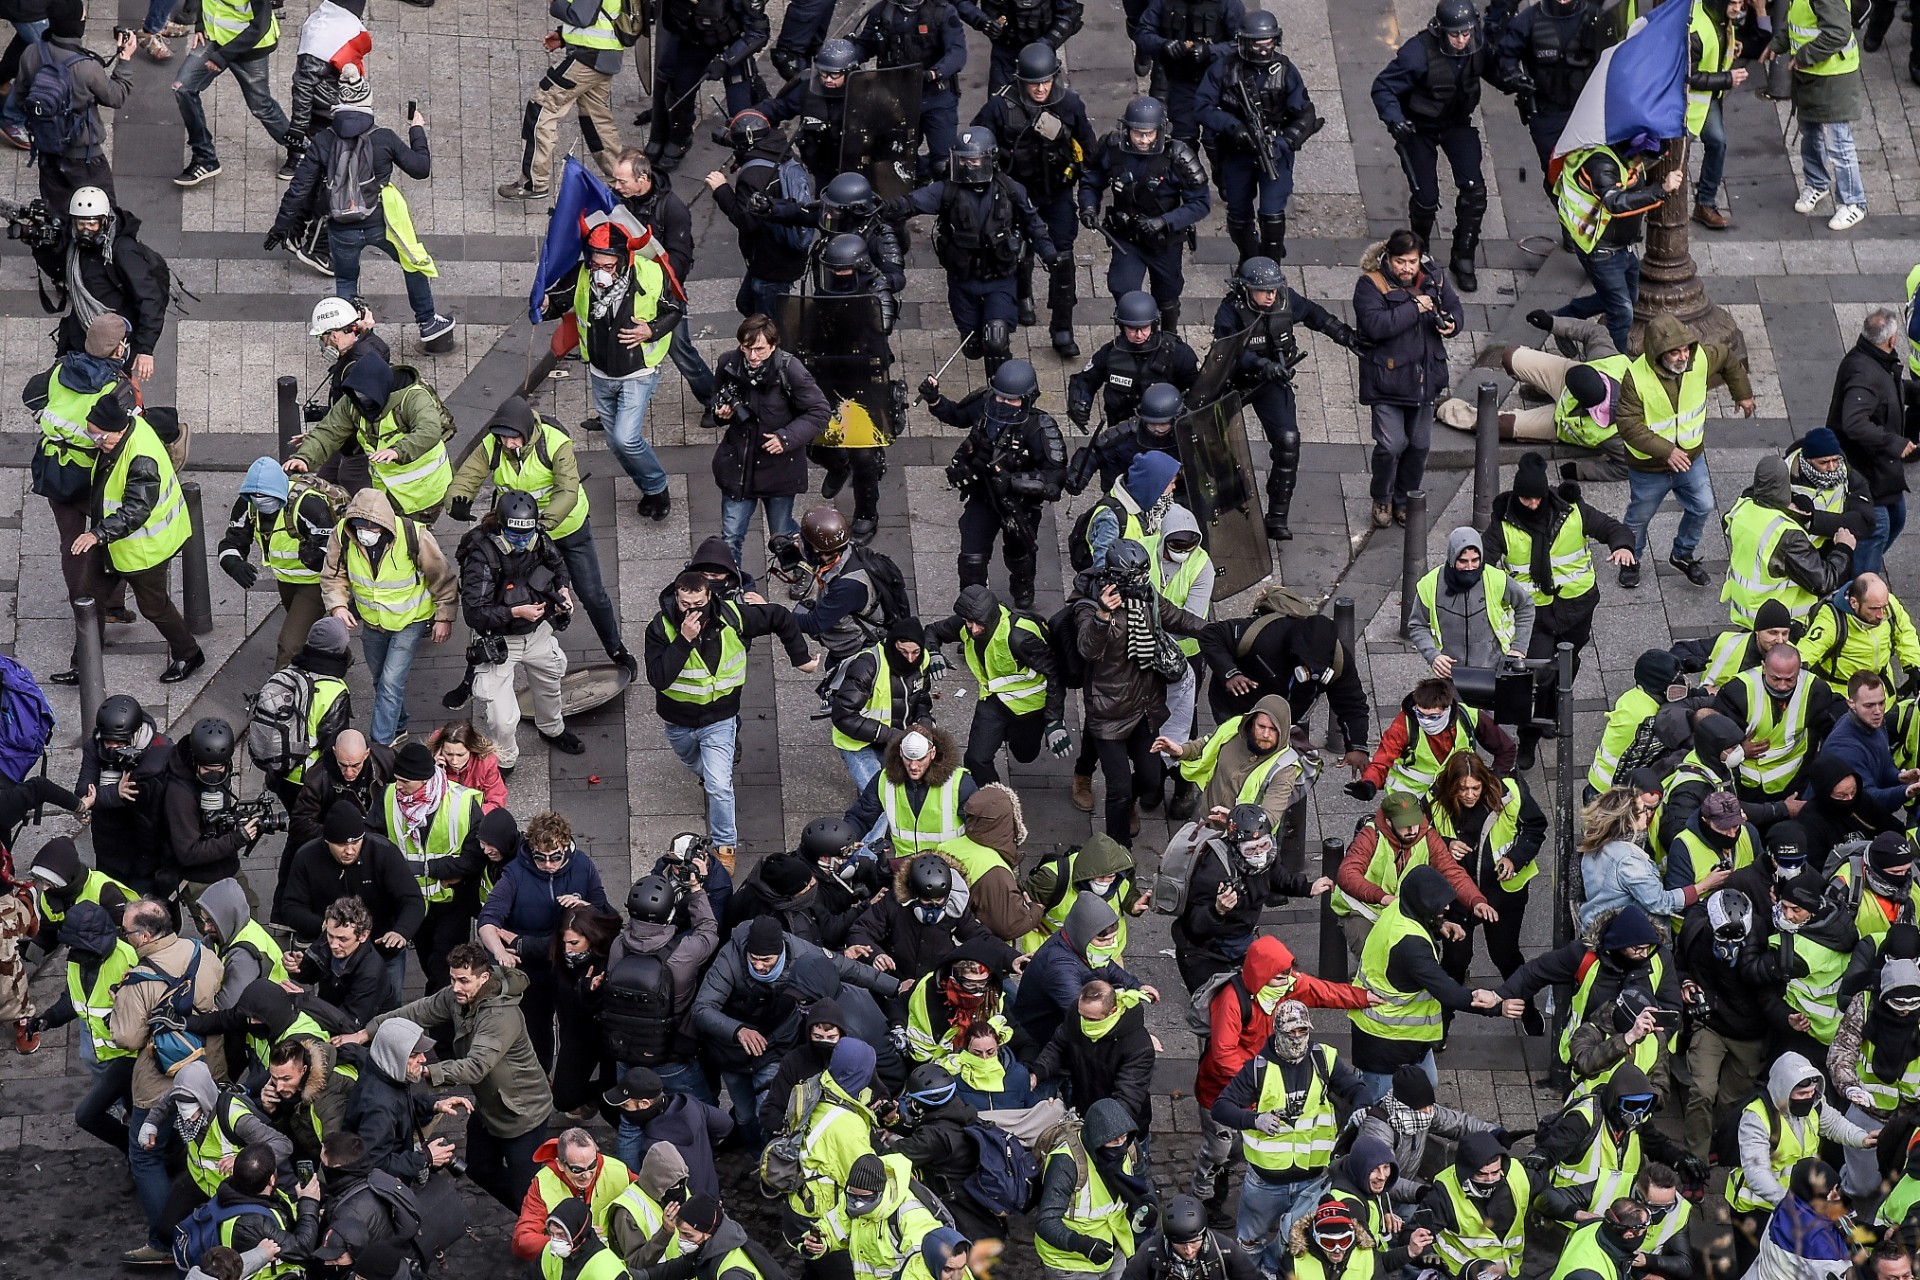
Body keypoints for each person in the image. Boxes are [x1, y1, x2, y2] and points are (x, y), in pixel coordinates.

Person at [350, 941, 556, 1212]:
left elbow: (475, 1067)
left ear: (484, 978)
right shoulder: (458, 996)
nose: (456, 987)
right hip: (489, 1107)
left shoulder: (501, 1017)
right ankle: (532, 1218)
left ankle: (541, 1232)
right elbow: (419, 1011)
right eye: (452, 979)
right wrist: (370, 1031)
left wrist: (423, 1070)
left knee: (526, 1192)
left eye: (463, 981)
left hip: (522, 1115)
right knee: (479, 1168)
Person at [645, 562, 816, 873]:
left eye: (698, 604)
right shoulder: (660, 628)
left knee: (718, 785)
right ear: (676, 598)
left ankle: (725, 846)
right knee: (695, 764)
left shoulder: (732, 616)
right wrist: (683, 640)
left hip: (720, 719)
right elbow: (658, 678)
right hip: (678, 721)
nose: (691, 611)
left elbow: (779, 616)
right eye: (685, 604)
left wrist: (800, 658)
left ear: (710, 597)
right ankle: (713, 770)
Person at [447, 395, 633, 673]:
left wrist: (543, 524)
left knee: (592, 593)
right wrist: (457, 500)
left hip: (565, 528)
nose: (507, 444)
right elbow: (468, 476)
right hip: (521, 533)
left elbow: (568, 491)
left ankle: (616, 648)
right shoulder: (493, 445)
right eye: (502, 438)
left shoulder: (555, 443)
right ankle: (523, 652)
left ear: (525, 431)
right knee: (515, 592)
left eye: (513, 438)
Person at [269, 71, 453, 349]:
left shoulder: (323, 140)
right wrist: (416, 130)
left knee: (346, 279)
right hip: (382, 221)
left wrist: (281, 227)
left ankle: (345, 340)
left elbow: (299, 189)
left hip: (341, 226)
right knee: (412, 263)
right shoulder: (383, 138)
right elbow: (420, 169)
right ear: (367, 104)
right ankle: (428, 323)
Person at [1484, 452, 1634, 765]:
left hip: (1576, 608)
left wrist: (1621, 545)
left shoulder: (1573, 512)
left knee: (1567, 665)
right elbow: (1484, 560)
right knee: (1534, 673)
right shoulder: (1503, 524)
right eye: (1525, 499)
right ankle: (1527, 739)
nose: (1532, 505)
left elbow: (1611, 528)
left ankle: (1549, 717)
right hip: (1532, 615)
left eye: (1536, 498)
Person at [1210, 256, 1365, 539]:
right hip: (1232, 380)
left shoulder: (1284, 300)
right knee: (1208, 438)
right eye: (1264, 291)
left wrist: (1346, 336)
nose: (1271, 296)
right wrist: (1261, 365)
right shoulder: (1229, 312)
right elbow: (1228, 352)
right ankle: (1221, 502)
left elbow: (1315, 315)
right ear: (1245, 290)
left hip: (1272, 381)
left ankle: (1278, 516)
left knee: (1288, 440)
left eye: (1274, 289)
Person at [110, 898, 227, 1265]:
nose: (123, 936)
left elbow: (127, 1038)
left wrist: (119, 1004)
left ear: (144, 936)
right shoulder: (202, 953)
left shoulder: (139, 980)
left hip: (161, 1079)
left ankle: (166, 1242)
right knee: (199, 1144)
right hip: (210, 1067)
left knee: (145, 1156)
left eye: (126, 931)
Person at [1212, 999, 1369, 1271]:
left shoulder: (1324, 1059)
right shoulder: (1258, 1068)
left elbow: (1356, 1089)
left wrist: (1362, 1109)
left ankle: (1273, 1272)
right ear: (1277, 1032)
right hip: (1266, 1181)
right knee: (1249, 1243)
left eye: (1302, 1031)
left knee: (1297, 1242)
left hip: (1313, 1180)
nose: (1298, 1038)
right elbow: (1221, 1108)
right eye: (1291, 1033)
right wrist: (1254, 1120)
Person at [888, 129, 1059, 377]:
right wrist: (881, 205)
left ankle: (1001, 390)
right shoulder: (946, 190)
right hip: (962, 280)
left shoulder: (1010, 190)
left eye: (975, 160)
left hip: (999, 278)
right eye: (964, 161)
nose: (969, 166)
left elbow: (1034, 224)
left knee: (996, 339)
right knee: (973, 345)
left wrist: (1050, 253)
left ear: (990, 158)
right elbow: (910, 203)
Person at [544, 214, 682, 521]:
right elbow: (558, 301)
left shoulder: (650, 274)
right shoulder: (581, 274)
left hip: (638, 372)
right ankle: (649, 488)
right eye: (596, 265)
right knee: (615, 442)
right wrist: (544, 306)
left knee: (625, 438)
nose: (601, 272)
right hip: (600, 373)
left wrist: (651, 330)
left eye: (609, 266)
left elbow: (675, 310)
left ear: (624, 260)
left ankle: (658, 487)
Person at [1073, 539, 1207, 846]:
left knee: (1150, 781)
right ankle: (1118, 850)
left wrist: (1216, 632)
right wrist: (1103, 617)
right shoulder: (1089, 603)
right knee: (1118, 789)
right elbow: (1087, 649)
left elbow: (1175, 617)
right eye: (1134, 580)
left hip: (1144, 707)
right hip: (1108, 711)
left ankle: (1130, 802)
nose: (1141, 586)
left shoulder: (1144, 595)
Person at [1614, 314, 1756, 587]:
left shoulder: (1699, 357)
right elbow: (1628, 424)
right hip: (1649, 467)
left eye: (1685, 349)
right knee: (1639, 517)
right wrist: (1667, 451)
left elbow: (1727, 356)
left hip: (1690, 457)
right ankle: (1631, 559)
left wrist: (1742, 393)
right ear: (1658, 353)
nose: (1683, 357)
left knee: (1703, 506)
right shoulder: (1636, 377)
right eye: (1674, 352)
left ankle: (1682, 554)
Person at [70, 393, 202, 683]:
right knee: (88, 599)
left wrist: (97, 534)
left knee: (154, 607)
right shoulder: (130, 428)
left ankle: (189, 653)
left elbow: (136, 510)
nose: (95, 443)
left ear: (118, 430)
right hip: (115, 542)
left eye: (99, 437)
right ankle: (83, 666)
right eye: (91, 435)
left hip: (143, 548)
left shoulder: (142, 458)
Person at [1347, 865, 1510, 1100]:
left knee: (1428, 1083)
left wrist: (1438, 925)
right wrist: (1496, 1007)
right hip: (1386, 1042)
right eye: (1438, 903)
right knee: (1377, 1104)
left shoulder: (1398, 908)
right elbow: (1448, 992)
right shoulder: (1412, 947)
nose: (1446, 907)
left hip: (1404, 1038)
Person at [970, 43, 1092, 355]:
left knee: (1062, 260)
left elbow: (1091, 151)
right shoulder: (1000, 108)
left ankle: (1062, 328)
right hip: (1015, 195)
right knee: (1016, 251)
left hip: (1057, 193)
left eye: (1045, 82)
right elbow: (976, 145)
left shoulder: (1071, 105)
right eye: (1033, 83)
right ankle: (1023, 295)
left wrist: (1091, 194)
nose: (1040, 89)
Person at [456, 489, 586, 767]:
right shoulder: (482, 556)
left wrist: (563, 589)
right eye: (515, 536)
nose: (522, 542)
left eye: (527, 535)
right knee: (501, 717)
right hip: (500, 639)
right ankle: (505, 760)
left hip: (537, 630)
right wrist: (515, 611)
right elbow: (474, 614)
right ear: (502, 528)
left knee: (551, 683)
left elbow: (558, 564)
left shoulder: (537, 539)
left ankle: (552, 729)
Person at [26, 313, 137, 637]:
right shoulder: (116, 388)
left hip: (55, 470)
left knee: (71, 545)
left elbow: (31, 397)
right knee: (114, 535)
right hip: (95, 477)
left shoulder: (61, 369)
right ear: (117, 350)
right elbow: (129, 434)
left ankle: (83, 609)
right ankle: (111, 605)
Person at [319, 489, 456, 747]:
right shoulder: (343, 535)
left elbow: (442, 575)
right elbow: (333, 575)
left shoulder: (414, 535)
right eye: (360, 524)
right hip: (373, 622)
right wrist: (338, 606)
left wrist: (444, 617)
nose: (365, 530)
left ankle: (379, 745)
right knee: (379, 679)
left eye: (372, 525)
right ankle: (399, 724)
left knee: (390, 682)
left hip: (410, 621)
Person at [927, 358, 1068, 608]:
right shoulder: (985, 404)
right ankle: (974, 608)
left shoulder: (1039, 427)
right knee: (971, 559)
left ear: (1026, 399)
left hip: (1019, 505)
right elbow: (958, 415)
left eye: (1010, 400)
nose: (1002, 404)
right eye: (1000, 397)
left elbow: (1055, 479)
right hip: (983, 497)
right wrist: (935, 400)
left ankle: (1023, 587)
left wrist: (1013, 482)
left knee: (1019, 552)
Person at [1370, 0, 1489, 290]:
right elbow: (1383, 87)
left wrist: (1514, 78)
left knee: (1474, 190)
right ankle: (1417, 254)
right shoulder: (1417, 53)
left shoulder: (1479, 43)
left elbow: (1496, 67)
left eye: (1466, 33)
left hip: (1456, 123)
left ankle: (1464, 256)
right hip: (1419, 128)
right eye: (1455, 34)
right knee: (1425, 198)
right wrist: (1395, 119)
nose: (1462, 40)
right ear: (1441, 31)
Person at [1436, 314, 1630, 482]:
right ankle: (1542, 390)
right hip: (1566, 377)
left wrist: (1582, 471)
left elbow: (1625, 467)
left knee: (1498, 425)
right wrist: (1553, 323)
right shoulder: (1605, 360)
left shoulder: (1617, 434)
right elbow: (1594, 331)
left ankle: (1445, 408)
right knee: (1510, 357)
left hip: (1560, 423)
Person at [1354, 230, 1462, 527]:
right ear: (1388, 258)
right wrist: (1415, 307)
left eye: (1411, 261)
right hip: (1386, 380)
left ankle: (1403, 499)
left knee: (1419, 445)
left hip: (1424, 379)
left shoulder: (1434, 277)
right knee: (1391, 445)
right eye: (1400, 261)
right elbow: (1376, 325)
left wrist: (1452, 325)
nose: (1406, 268)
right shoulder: (1370, 285)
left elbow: (1454, 308)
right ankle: (1382, 497)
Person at [1193, 13, 1318, 267]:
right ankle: (1249, 259)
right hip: (1237, 150)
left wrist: (1283, 143)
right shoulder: (1224, 68)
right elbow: (1201, 107)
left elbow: (1305, 114)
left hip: (1274, 149)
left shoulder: (1284, 70)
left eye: (1269, 43)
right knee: (1238, 213)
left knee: (1272, 212)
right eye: (1257, 44)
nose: (1264, 50)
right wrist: (1234, 127)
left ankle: (1271, 264)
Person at [707, 313, 831, 568]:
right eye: (746, 348)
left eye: (759, 349)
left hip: (778, 470)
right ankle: (734, 589)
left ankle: (805, 569)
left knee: (783, 535)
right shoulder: (728, 364)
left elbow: (820, 411)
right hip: (738, 468)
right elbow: (716, 401)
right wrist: (720, 414)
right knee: (730, 538)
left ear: (773, 345)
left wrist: (785, 438)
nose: (752, 356)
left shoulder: (790, 369)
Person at [1077, 97, 1212, 328]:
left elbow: (1200, 202)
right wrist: (1088, 206)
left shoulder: (1177, 156)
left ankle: (1169, 337)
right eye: (1138, 133)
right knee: (1123, 288)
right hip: (1127, 238)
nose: (1144, 139)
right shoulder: (1112, 148)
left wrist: (1165, 221)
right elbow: (1092, 180)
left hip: (1165, 241)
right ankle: (1131, 334)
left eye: (1149, 134)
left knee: (1167, 295)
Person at [288, 350, 456, 522]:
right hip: (387, 493)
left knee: (414, 543)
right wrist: (304, 458)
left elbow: (429, 430)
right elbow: (328, 432)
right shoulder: (352, 403)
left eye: (367, 396)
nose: (362, 401)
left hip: (425, 494)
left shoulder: (413, 398)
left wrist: (398, 451)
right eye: (358, 395)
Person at [925, 585, 1068, 787]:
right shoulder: (967, 622)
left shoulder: (1020, 637)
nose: (973, 630)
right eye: (968, 623)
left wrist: (1054, 721)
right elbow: (933, 631)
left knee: (1025, 755)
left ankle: (1012, 733)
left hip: (1028, 707)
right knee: (976, 759)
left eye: (978, 625)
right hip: (993, 702)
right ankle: (999, 806)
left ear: (991, 617)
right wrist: (933, 653)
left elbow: (1054, 673)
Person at [1551, 134, 1678, 353]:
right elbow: (1614, 202)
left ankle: (1564, 317)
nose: (1643, 164)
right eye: (1644, 158)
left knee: (1628, 297)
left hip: (1620, 246)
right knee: (1622, 312)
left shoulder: (1623, 156)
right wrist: (1660, 191)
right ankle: (1614, 362)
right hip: (1600, 249)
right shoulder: (1600, 164)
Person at [610, 149, 717, 406]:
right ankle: (613, 411)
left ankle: (715, 400)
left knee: (680, 349)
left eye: (622, 181)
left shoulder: (672, 209)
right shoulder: (618, 198)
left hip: (663, 293)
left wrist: (655, 283)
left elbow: (680, 260)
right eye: (615, 180)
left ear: (643, 178)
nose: (616, 186)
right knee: (617, 347)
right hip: (625, 287)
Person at [219, 459, 347, 669]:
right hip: (286, 580)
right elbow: (232, 540)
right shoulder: (247, 504)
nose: (260, 501)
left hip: (316, 582)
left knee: (290, 644)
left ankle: (279, 694)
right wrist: (233, 563)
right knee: (309, 628)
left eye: (266, 497)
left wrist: (312, 554)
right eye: (255, 496)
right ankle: (341, 658)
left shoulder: (308, 505)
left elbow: (331, 546)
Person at [496, 0, 624, 199]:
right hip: (605, 54)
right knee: (596, 120)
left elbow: (581, 15)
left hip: (588, 57)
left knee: (541, 105)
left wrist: (557, 3)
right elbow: (596, 14)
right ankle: (623, 182)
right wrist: (565, 36)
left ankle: (533, 183)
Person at [28, 188, 168, 369]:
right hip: (80, 334)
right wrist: (41, 247)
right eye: (80, 224)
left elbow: (150, 299)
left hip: (112, 344)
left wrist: (145, 349)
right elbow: (59, 270)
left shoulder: (123, 251)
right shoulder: (74, 245)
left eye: (92, 224)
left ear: (105, 221)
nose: (86, 230)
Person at [10, 6, 132, 211]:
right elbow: (116, 97)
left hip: (47, 151)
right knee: (104, 215)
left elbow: (21, 99)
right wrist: (125, 60)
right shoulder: (87, 67)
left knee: (56, 218)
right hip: (85, 158)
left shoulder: (31, 53)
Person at [170, 0, 296, 187]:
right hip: (214, 38)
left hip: (250, 49)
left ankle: (299, 149)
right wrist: (200, 24)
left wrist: (222, 57)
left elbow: (259, 26)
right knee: (183, 88)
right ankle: (205, 158)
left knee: (261, 106)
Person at [1763, 0, 1864, 231]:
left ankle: (1853, 203)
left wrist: (1802, 56)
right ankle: (1817, 183)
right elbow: (1799, 24)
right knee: (1810, 132)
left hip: (1833, 77)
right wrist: (1778, 44)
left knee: (1838, 143)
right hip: (1812, 76)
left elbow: (1838, 33)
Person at [1824, 310, 1912, 575]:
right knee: (1878, 526)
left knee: (1897, 517)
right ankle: (1860, 586)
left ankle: (1851, 567)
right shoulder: (1864, 372)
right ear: (1892, 340)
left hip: (1880, 470)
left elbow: (1889, 390)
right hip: (1864, 469)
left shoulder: (1876, 362)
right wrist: (1893, 442)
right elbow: (1854, 422)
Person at [1721, 456, 1856, 627]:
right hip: (1781, 623)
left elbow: (1731, 519)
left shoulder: (1742, 508)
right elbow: (1824, 581)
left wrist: (1789, 510)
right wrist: (1843, 548)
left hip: (1746, 612)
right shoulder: (1786, 535)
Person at [846, 0, 965, 181]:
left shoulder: (943, 12)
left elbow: (957, 52)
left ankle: (944, 199)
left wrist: (935, 73)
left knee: (944, 165)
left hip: (935, 96)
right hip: (896, 97)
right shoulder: (882, 12)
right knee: (893, 160)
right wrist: (845, 58)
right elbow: (865, 44)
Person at [1035, 1098, 1154, 1276]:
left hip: (1114, 1251)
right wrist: (1082, 1244)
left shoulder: (1129, 1145)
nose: (1120, 1146)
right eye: (1113, 1141)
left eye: (1123, 1139)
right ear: (1097, 1141)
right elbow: (1046, 1221)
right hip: (1070, 1264)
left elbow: (1143, 1179)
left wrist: (1149, 1202)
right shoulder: (1066, 1163)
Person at [646, 0, 765, 172]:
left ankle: (752, 161)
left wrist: (727, 60)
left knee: (742, 113)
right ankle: (680, 139)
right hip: (693, 41)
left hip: (731, 44)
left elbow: (758, 32)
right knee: (678, 93)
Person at [1409, 524, 1536, 679]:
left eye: (1475, 560)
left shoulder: (1496, 578)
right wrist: (1433, 655)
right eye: (1463, 561)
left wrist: (1519, 648)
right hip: (1450, 674)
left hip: (1493, 670)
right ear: (1451, 558)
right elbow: (1417, 625)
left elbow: (1526, 605)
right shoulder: (1429, 585)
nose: (1470, 567)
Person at [1068, 294, 1200, 440]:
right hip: (1121, 429)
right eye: (1132, 329)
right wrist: (1080, 402)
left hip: (1163, 430)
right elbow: (1085, 380)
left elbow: (1199, 389)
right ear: (1121, 326)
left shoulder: (1178, 353)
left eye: (1144, 328)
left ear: (1153, 324)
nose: (1138, 335)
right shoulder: (1110, 353)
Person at [1494, 0, 1599, 176]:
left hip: (1588, 112)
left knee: (1593, 173)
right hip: (1547, 114)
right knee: (1555, 175)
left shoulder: (1596, 17)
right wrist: (1515, 77)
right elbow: (1505, 56)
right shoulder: (1528, 20)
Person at [509, 1126, 636, 1263]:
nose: (587, 1175)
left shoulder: (617, 1170)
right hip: (566, 1263)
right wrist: (570, 1241)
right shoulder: (543, 1184)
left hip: (612, 1260)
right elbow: (522, 1241)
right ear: (560, 1164)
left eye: (593, 1165)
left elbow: (649, 1197)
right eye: (577, 1169)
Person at [1798, 574, 1920, 695]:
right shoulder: (1832, 620)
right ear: (1854, 603)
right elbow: (1805, 654)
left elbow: (1905, 632)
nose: (1881, 615)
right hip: (1844, 698)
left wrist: (1914, 667)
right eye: (1874, 609)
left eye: (1884, 607)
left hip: (1882, 693)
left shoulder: (1887, 603)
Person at [1686, 0, 1746, 228]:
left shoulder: (1717, 18)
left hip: (1706, 100)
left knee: (1717, 143)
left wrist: (1730, 48)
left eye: (1740, 3)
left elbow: (1717, 45)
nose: (1737, 9)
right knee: (1673, 157)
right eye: (1733, 3)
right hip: (1690, 104)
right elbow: (1690, 75)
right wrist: (1727, 79)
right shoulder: (1697, 30)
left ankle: (1705, 203)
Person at [427, 720, 509, 812]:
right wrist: (431, 772)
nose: (454, 761)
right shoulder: (430, 760)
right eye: (448, 754)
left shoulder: (485, 764)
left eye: (460, 755)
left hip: (472, 816)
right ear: (440, 750)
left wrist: (468, 814)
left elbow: (496, 803)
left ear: (471, 749)